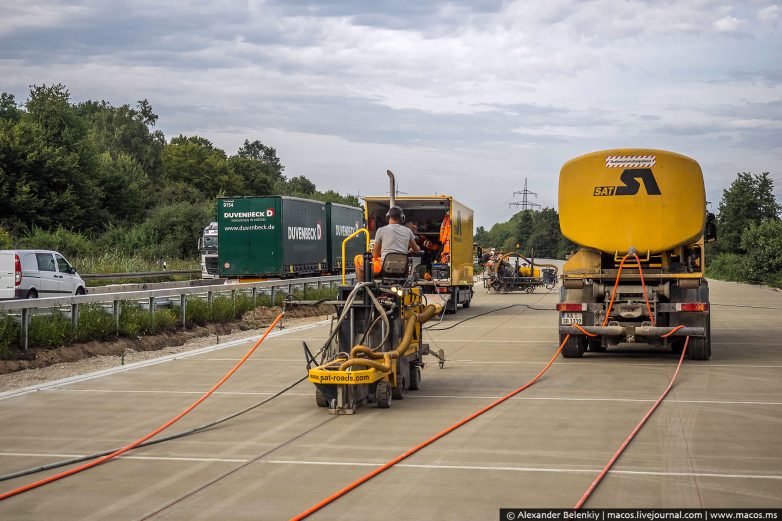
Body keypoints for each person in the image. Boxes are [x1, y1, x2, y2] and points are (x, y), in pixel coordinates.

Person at [355, 206, 420, 281]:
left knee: (357, 259)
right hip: (402, 269)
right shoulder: (408, 231)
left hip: (384, 268)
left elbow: (375, 254)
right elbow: (417, 250)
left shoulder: (381, 230)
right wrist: (415, 248)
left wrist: (381, 253)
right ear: (402, 218)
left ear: (388, 217)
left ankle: (362, 287)